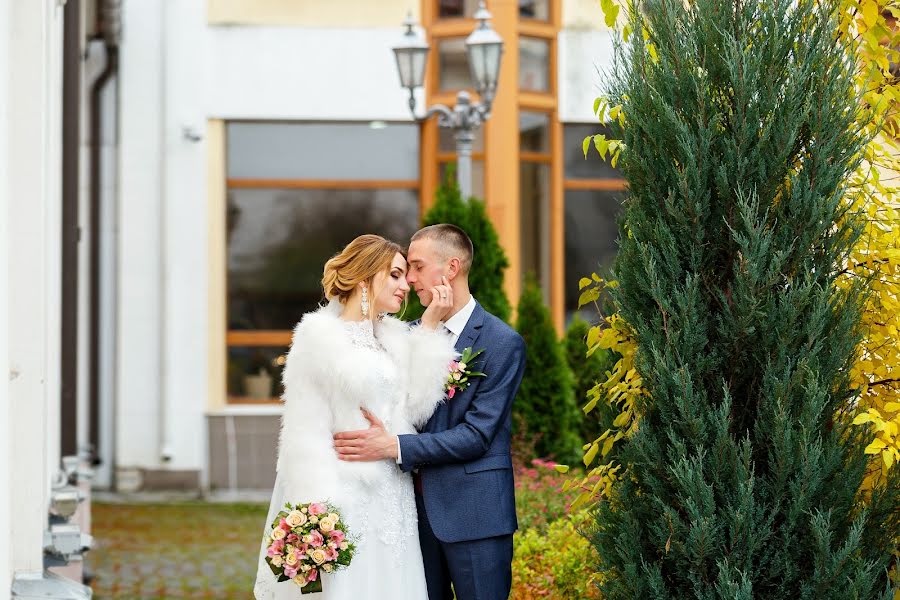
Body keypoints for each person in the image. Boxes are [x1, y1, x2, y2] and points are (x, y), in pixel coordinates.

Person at [253, 234, 457, 599]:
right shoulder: (319, 340)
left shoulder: (392, 337)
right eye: (394, 275)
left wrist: (428, 329)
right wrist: (316, 517)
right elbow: (304, 434)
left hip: (394, 493)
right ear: (365, 279)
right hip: (346, 494)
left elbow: (416, 408)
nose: (404, 285)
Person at [333, 224, 527, 600]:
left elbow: (476, 435)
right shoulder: (405, 335)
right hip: (411, 517)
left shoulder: (502, 342)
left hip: (476, 517)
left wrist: (395, 448)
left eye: (417, 267)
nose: (409, 279)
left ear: (451, 268)